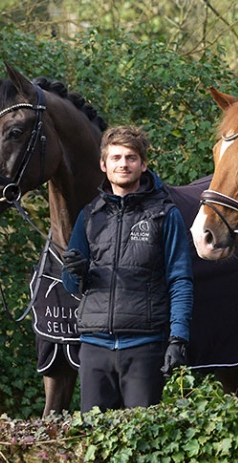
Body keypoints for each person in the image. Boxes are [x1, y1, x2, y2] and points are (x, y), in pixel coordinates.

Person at [61, 125, 194, 412]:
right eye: (116, 157)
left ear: (143, 164)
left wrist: (178, 339)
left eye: (131, 157)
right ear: (103, 164)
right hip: (94, 347)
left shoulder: (164, 214)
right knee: (95, 440)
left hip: (145, 346)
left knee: (141, 442)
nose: (123, 164)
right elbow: (70, 286)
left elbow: (180, 280)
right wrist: (76, 272)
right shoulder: (89, 215)